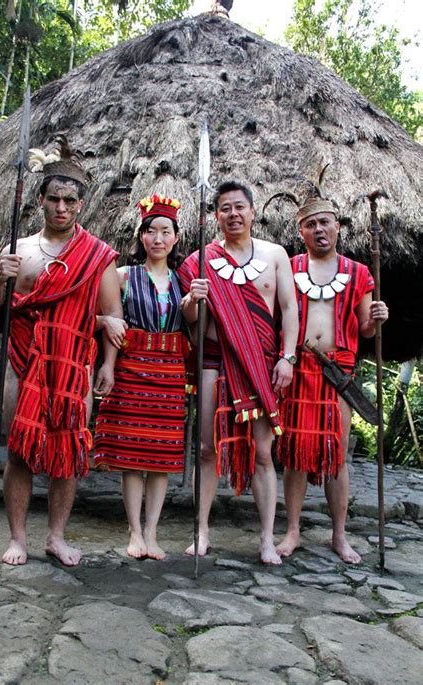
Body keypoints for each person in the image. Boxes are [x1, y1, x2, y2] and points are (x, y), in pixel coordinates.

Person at [0, 139, 122, 567]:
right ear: (39, 200)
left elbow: (112, 317)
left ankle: (56, 536)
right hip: (23, 364)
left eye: (69, 200)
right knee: (18, 451)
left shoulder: (96, 257)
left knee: (68, 452)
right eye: (54, 199)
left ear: (80, 205)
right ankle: (18, 538)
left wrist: (109, 366)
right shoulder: (17, 250)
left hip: (75, 365)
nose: (61, 207)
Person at [178, 180, 299, 564]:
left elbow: (289, 309)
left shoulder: (275, 254)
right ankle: (201, 530)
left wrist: (288, 357)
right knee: (205, 448)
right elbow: (192, 328)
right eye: (225, 208)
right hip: (215, 359)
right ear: (215, 216)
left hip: (262, 361)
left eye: (239, 207)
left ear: (253, 211)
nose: (233, 214)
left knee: (264, 453)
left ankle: (266, 538)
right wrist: (192, 303)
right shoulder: (199, 260)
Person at [93, 194, 208, 560]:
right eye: (151, 231)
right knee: (131, 455)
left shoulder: (184, 281)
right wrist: (107, 364)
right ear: (141, 237)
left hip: (170, 371)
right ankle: (134, 532)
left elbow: (192, 323)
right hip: (131, 368)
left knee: (161, 457)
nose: (158, 239)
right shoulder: (124, 276)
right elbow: (103, 320)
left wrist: (193, 301)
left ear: (176, 238)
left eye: (165, 232)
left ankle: (153, 533)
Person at [276, 196, 389, 564]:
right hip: (299, 365)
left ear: (337, 226)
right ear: (301, 231)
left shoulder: (358, 273)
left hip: (337, 373)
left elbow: (366, 330)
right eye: (311, 225)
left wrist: (376, 317)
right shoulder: (289, 268)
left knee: (336, 454)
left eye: (325, 222)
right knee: (294, 453)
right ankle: (292, 530)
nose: (319, 230)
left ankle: (339, 535)